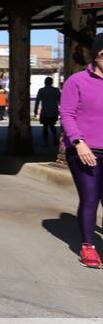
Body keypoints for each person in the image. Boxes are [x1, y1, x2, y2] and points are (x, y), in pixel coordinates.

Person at [59, 33, 103, 268]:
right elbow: (67, 114)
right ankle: (88, 247)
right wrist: (78, 142)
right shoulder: (76, 81)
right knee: (90, 198)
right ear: (96, 56)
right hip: (85, 150)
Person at [34, 76, 61, 147]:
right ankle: (55, 136)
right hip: (54, 111)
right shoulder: (56, 90)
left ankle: (45, 142)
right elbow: (61, 101)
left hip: (45, 111)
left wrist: (35, 110)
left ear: (45, 82)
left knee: (45, 127)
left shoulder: (41, 90)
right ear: (52, 82)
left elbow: (37, 101)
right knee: (52, 125)